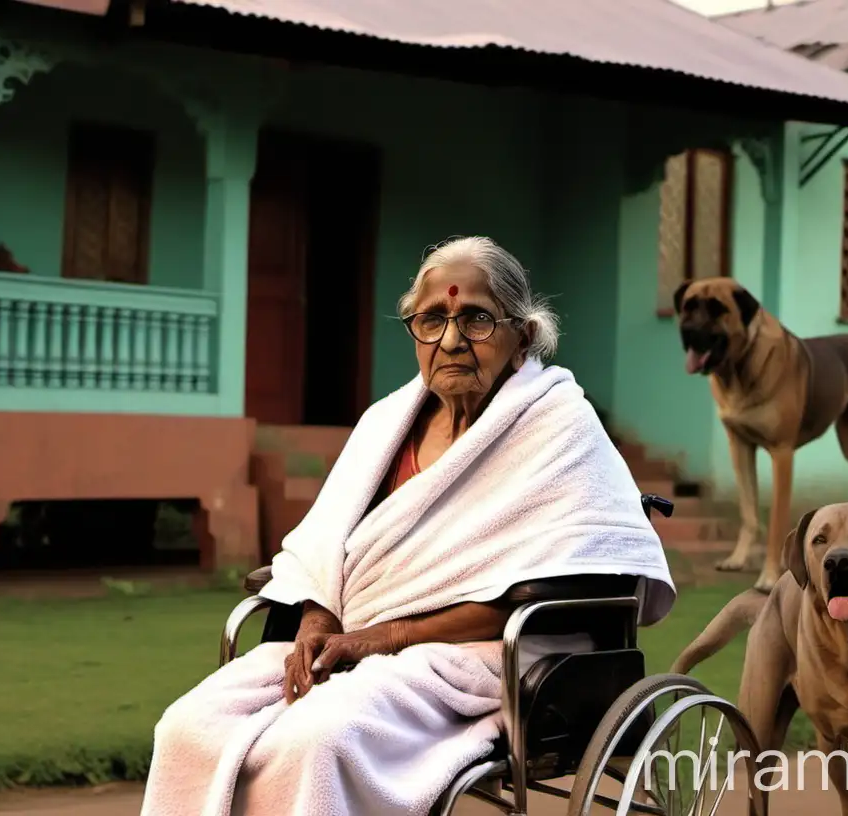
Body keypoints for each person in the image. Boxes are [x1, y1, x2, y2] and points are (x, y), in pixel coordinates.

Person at [139, 236, 675, 816]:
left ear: (521, 336)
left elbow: (568, 576)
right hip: (350, 638)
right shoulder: (384, 423)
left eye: (476, 318)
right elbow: (325, 544)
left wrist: (386, 637)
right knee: (186, 727)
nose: (450, 340)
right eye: (432, 319)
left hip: (484, 653)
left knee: (318, 739)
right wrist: (318, 617)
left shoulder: (558, 425)